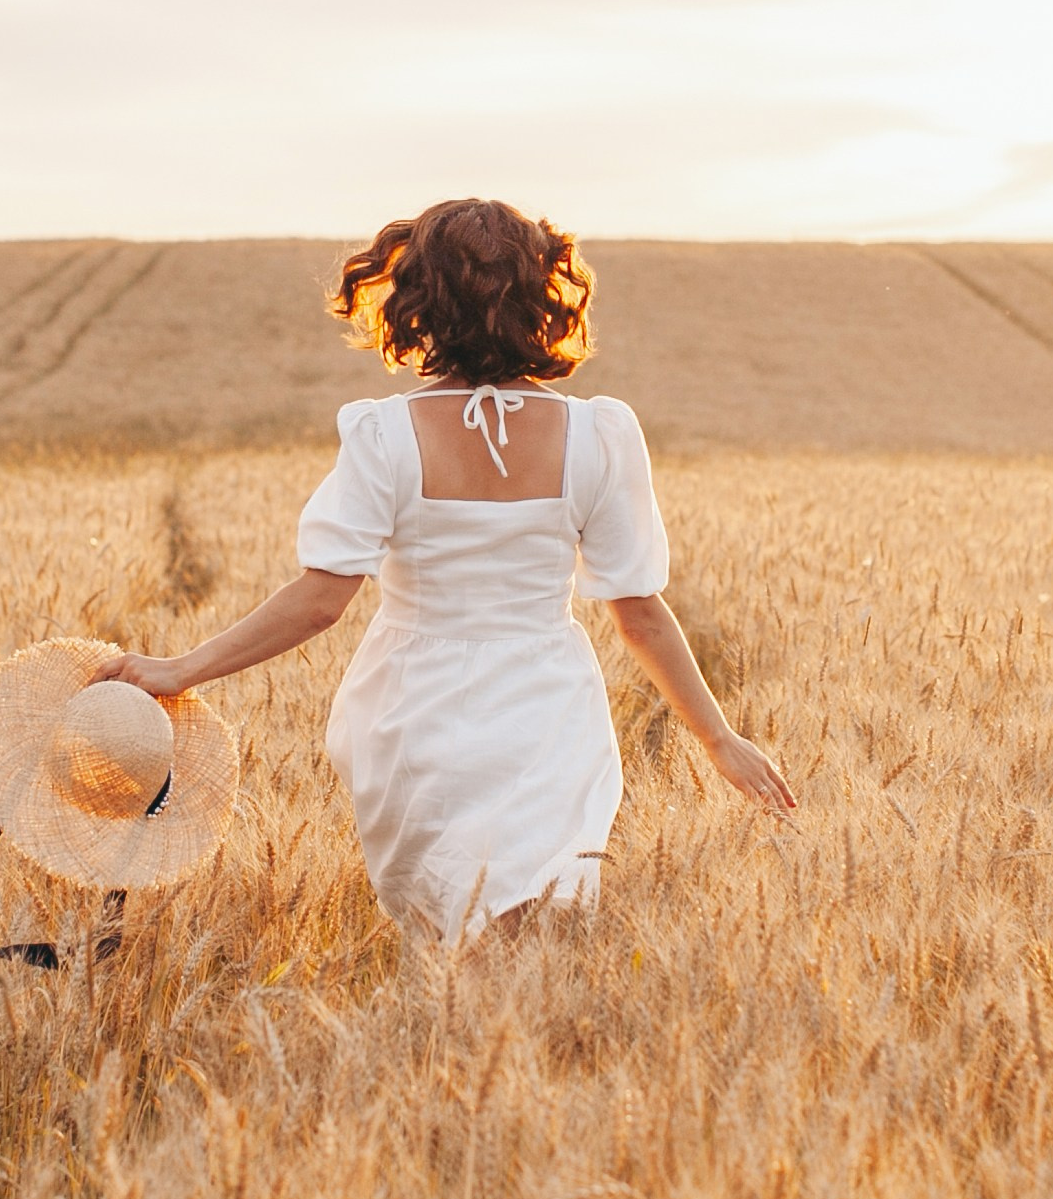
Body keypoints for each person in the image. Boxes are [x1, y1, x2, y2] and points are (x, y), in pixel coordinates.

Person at [92, 197, 794, 939]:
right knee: (528, 933)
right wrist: (718, 738)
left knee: (448, 935)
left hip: (411, 711)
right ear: (541, 297)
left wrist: (180, 669)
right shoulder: (598, 434)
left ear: (416, 299)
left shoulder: (384, 435)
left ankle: (454, 1049)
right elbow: (640, 614)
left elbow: (318, 604)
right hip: (546, 710)